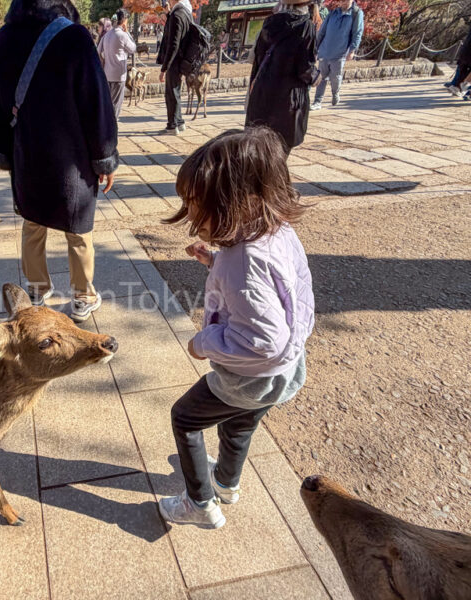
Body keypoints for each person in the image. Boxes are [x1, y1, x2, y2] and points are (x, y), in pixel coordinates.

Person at [158, 127, 314, 528]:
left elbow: (263, 340)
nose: (189, 213)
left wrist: (203, 342)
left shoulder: (240, 262)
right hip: (285, 371)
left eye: (195, 203)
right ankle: (226, 483)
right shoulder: (275, 231)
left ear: (234, 202)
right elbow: (278, 289)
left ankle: (200, 505)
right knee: (239, 423)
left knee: (185, 418)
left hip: (251, 377)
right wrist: (215, 263)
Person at [0, 0, 118, 321]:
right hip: (70, 157)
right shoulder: (74, 37)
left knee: (33, 223)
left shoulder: (4, 38)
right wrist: (104, 157)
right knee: (78, 229)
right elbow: (96, 103)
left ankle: (36, 289)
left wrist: (7, 151)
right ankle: (82, 297)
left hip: (27, 152)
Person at [246, 0, 318, 153]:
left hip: (262, 94)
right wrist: (316, 77)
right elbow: (305, 68)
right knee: (280, 149)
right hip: (287, 99)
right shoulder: (306, 26)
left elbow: (257, 58)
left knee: (257, 146)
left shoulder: (269, 23)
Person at [311, 0, 363, 110]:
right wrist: (316, 48)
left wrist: (352, 50)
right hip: (325, 50)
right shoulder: (333, 13)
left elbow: (357, 32)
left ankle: (335, 93)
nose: (343, 2)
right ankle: (317, 101)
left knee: (335, 78)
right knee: (321, 77)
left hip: (340, 52)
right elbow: (322, 32)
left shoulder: (356, 13)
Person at [157, 0, 193, 135]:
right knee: (176, 91)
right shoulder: (186, 13)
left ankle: (172, 126)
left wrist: (164, 68)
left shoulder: (177, 15)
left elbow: (173, 44)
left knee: (171, 93)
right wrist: (168, 14)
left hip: (175, 60)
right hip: (182, 59)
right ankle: (179, 122)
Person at [99, 9, 136, 119]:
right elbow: (133, 48)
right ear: (124, 21)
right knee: (116, 104)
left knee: (109, 102)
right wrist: (127, 32)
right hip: (119, 74)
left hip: (107, 72)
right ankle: (112, 128)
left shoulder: (107, 35)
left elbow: (98, 50)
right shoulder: (123, 35)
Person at [446, 26, 471, 98]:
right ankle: (464, 85)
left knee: (462, 69)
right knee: (463, 70)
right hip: (467, 52)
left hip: (465, 52)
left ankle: (458, 86)